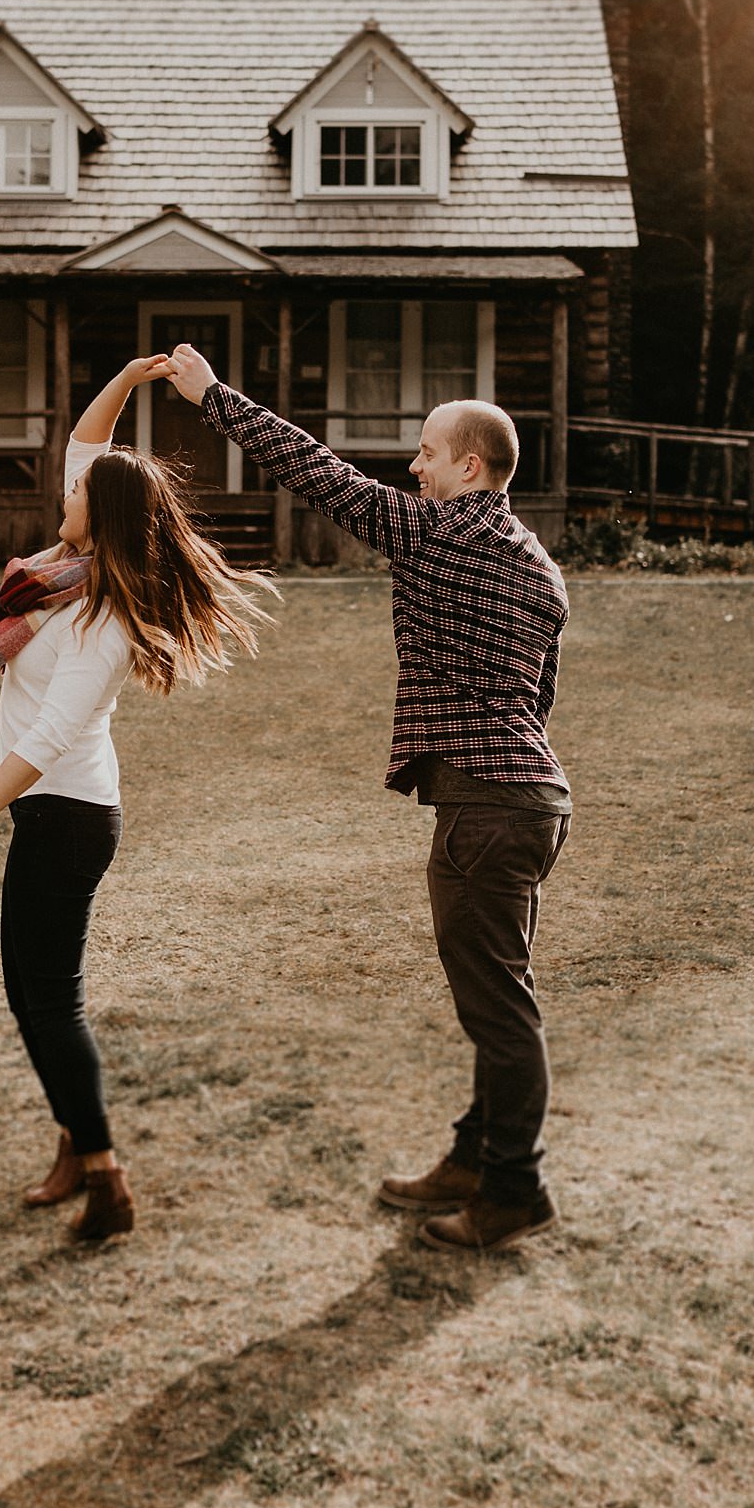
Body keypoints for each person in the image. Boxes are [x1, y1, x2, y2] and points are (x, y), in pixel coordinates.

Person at [165, 342, 570, 1252]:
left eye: (426, 452)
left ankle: (515, 1192)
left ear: (470, 467)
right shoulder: (539, 564)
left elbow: (315, 469)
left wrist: (213, 396)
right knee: (495, 998)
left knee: (502, 1012)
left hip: (485, 807)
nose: (412, 466)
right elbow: (541, 696)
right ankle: (476, 1156)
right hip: (533, 799)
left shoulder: (434, 530)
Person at [0, 355, 272, 1243]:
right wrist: (133, 375)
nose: (63, 497)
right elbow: (89, 441)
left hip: (70, 819)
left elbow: (47, 744)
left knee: (53, 997)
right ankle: (76, 1142)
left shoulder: (102, 617)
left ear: (99, 516)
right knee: (24, 990)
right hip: (51, 817)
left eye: (77, 497)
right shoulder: (67, 574)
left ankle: (108, 1177)